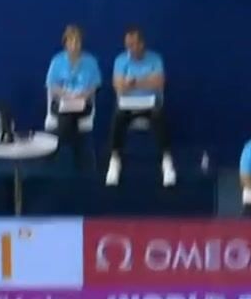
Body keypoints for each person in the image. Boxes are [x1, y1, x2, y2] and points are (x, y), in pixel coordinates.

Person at [106, 27, 176, 187]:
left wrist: (133, 82)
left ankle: (166, 161)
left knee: (159, 116)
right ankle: (115, 160)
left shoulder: (155, 59)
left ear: (142, 44)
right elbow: (118, 87)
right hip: (127, 105)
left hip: (151, 103)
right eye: (127, 45)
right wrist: (145, 81)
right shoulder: (120, 60)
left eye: (133, 44)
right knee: (118, 116)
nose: (130, 49)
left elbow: (159, 83)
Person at [45, 24, 102, 171]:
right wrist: (66, 94)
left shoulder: (91, 61)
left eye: (78, 42)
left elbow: (94, 86)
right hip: (61, 102)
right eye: (71, 42)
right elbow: (51, 86)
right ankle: (80, 158)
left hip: (84, 103)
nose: (75, 45)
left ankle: (51, 151)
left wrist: (82, 95)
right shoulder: (57, 61)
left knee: (68, 118)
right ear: (65, 43)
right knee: (68, 117)